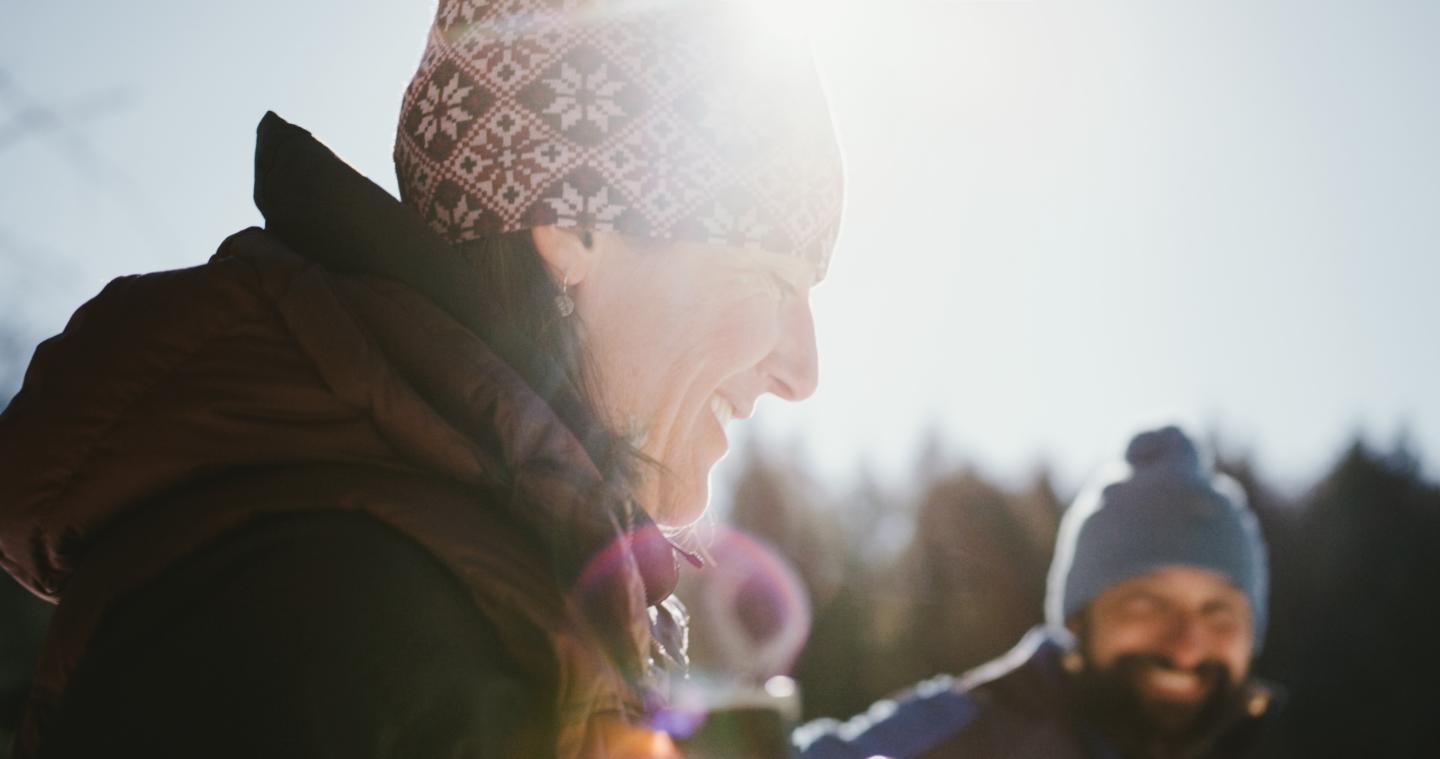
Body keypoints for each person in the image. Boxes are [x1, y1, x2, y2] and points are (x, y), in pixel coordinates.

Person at [0, 1, 843, 757]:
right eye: (769, 279)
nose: (801, 370)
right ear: (574, 226)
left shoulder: (457, 568)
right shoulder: (342, 614)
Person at [794, 426, 1276, 759]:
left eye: (1219, 612)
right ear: (1078, 618)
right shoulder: (970, 734)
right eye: (1148, 603)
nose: (1187, 644)